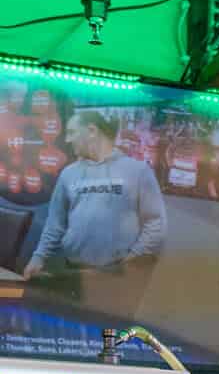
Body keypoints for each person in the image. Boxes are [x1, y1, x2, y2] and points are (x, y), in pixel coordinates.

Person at [24, 108, 167, 315]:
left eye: (72, 132)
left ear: (91, 130)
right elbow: (55, 223)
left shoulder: (137, 171)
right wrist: (38, 257)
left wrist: (133, 258)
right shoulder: (69, 174)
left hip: (117, 276)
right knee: (76, 333)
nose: (68, 139)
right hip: (72, 271)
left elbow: (156, 222)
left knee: (109, 337)